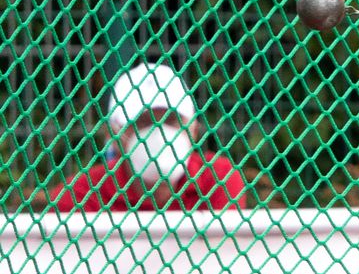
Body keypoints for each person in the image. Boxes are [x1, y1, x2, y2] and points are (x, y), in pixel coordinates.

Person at [46, 61, 246, 212]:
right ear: (114, 135)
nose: (159, 133)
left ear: (193, 130)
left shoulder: (219, 181)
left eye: (171, 120)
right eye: (143, 122)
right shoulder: (81, 195)